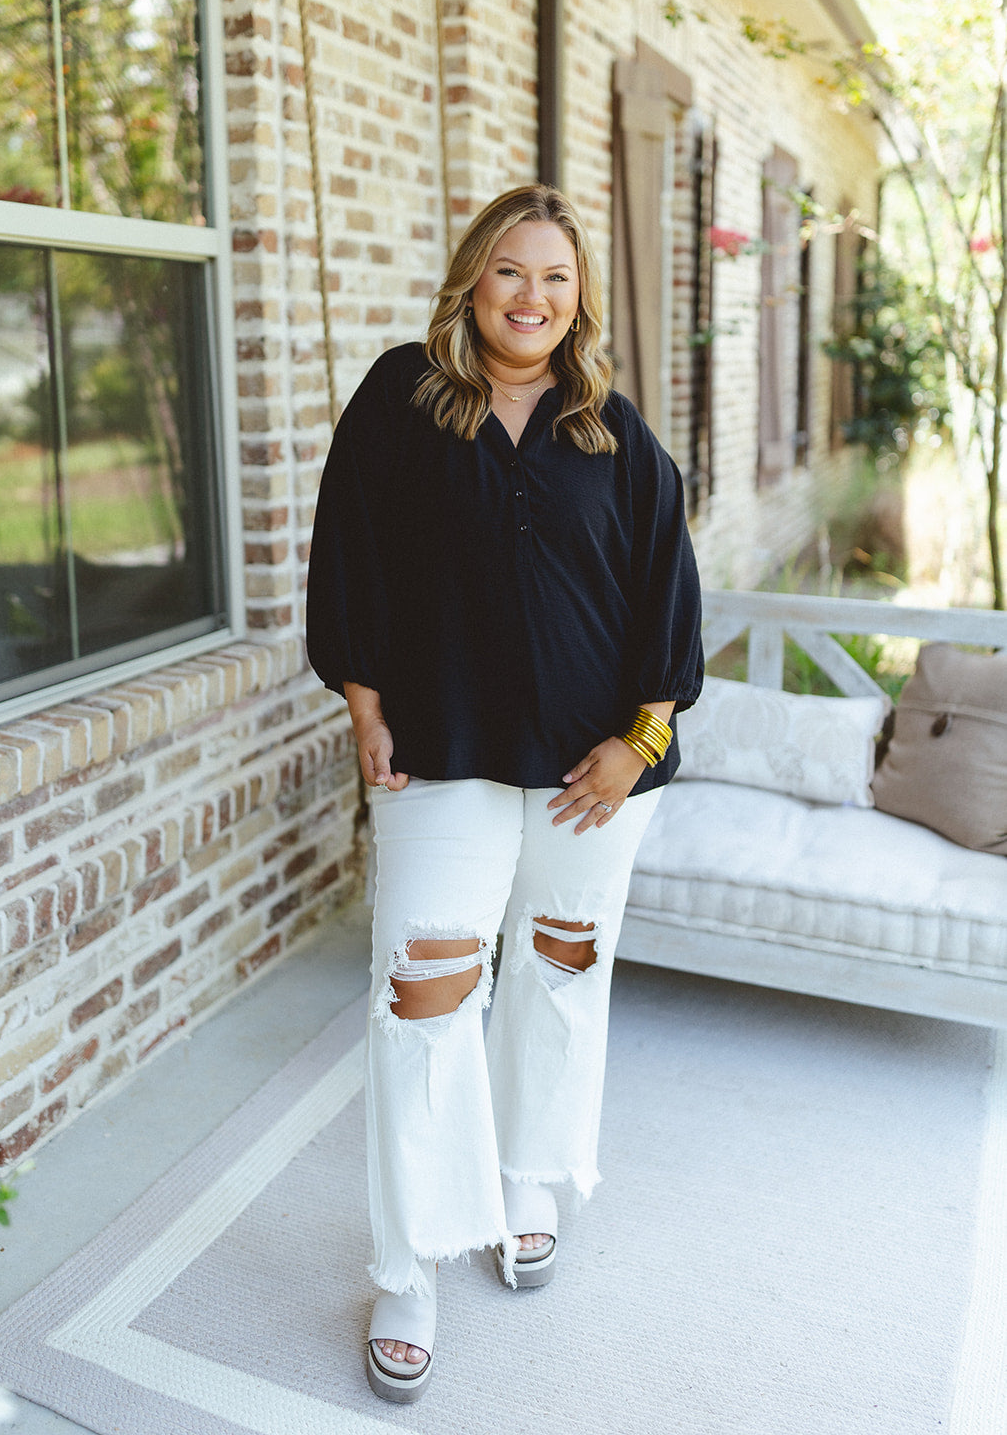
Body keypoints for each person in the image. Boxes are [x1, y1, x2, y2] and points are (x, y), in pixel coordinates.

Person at [306, 183, 703, 1403]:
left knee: (560, 968)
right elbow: (348, 551)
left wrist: (636, 743)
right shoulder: (398, 398)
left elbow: (667, 607)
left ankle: (529, 1178)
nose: (532, 297)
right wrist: (364, 703)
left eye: (556, 278)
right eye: (510, 272)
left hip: (592, 773)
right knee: (423, 999)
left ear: (578, 298)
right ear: (473, 279)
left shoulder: (611, 432)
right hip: (441, 750)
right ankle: (411, 1261)